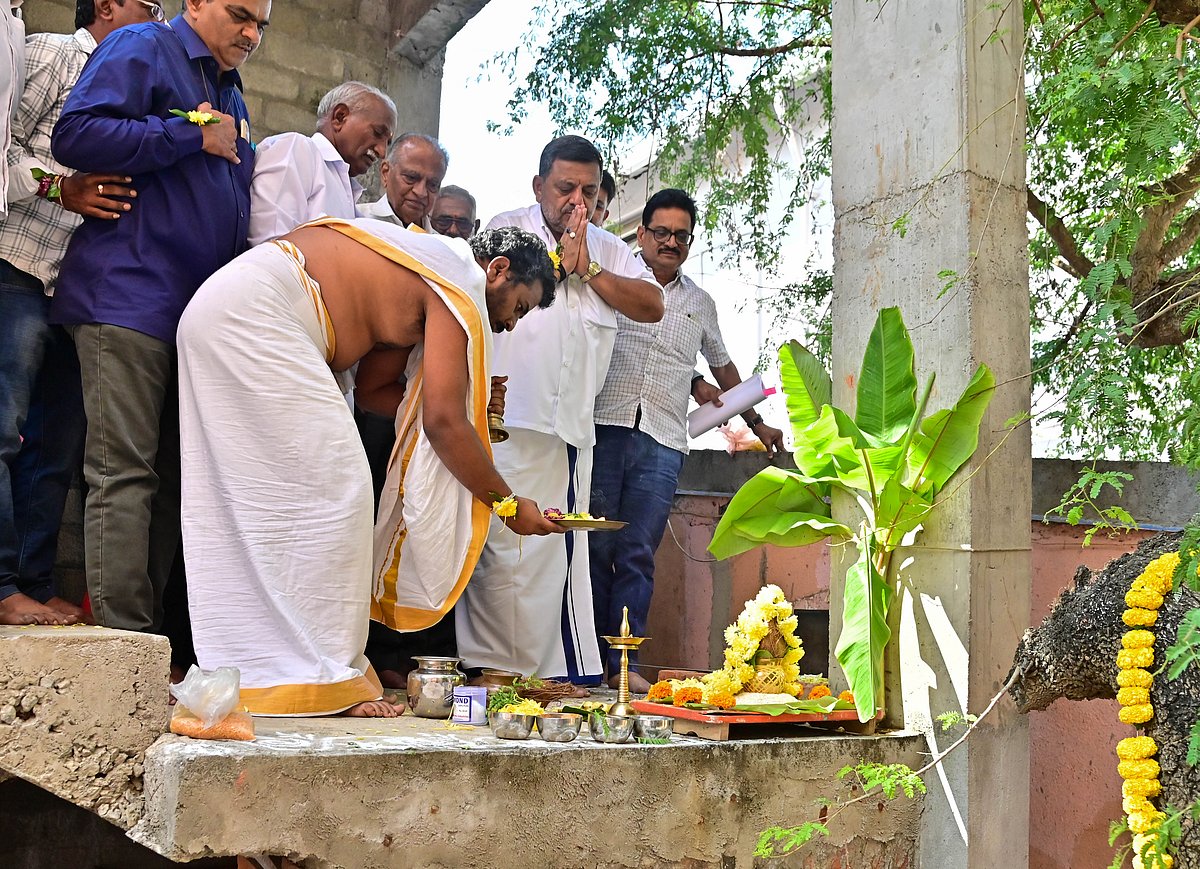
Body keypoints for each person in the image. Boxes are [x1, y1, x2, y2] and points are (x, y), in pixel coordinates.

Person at [177, 219, 562, 717]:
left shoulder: (425, 272)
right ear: (497, 270)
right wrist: (506, 505)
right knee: (342, 489)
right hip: (255, 315)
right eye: (519, 308)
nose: (509, 324)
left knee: (267, 504)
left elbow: (379, 394)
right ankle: (317, 673)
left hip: (229, 310)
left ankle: (261, 670)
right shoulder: (457, 278)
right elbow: (443, 423)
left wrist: (471, 403)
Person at [49, 0, 269, 637]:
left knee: (174, 480)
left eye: (261, 25)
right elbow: (76, 134)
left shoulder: (230, 91)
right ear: (194, 3)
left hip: (193, 321)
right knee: (122, 473)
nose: (251, 34)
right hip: (129, 294)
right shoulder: (144, 45)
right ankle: (124, 643)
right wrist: (189, 135)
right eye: (240, 15)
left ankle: (150, 644)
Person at [456, 134, 664, 688]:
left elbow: (653, 305)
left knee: (554, 555)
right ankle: (492, 668)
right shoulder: (507, 228)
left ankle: (546, 675)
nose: (577, 201)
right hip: (502, 421)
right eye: (565, 187)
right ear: (538, 186)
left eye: (588, 192)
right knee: (498, 548)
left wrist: (590, 270)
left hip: (567, 430)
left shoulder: (610, 248)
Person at [0, 0, 158, 627]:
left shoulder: (141, 88)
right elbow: (4, 149)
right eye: (149, 7)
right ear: (107, 5)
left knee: (55, 451)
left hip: (77, 293)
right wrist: (59, 186)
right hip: (15, 265)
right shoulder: (53, 54)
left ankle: (33, 585)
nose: (158, 20)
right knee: (3, 431)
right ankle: (1, 585)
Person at [590, 188, 784, 690]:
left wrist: (757, 423)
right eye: (661, 232)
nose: (671, 242)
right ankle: (585, 661)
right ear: (641, 234)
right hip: (602, 429)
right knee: (591, 546)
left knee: (637, 553)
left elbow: (724, 368)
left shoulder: (700, 303)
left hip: (662, 441)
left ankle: (623, 667)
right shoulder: (613, 278)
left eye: (681, 235)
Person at [247, 80, 395, 246]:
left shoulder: (345, 190)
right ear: (340, 117)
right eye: (377, 132)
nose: (382, 152)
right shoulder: (297, 149)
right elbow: (269, 244)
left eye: (388, 143)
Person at [359, 132, 446, 230]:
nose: (421, 193)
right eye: (411, 177)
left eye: (433, 185)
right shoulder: (354, 221)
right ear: (385, 173)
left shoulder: (437, 239)